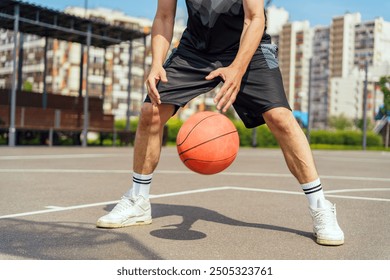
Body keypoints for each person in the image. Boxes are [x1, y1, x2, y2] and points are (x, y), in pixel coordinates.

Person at [97, 0, 344, 246]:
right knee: (150, 111)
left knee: (279, 117)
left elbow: (255, 18)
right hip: (195, 50)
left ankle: (320, 205)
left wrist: (237, 68)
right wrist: (156, 64)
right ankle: (138, 201)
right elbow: (163, 16)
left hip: (248, 47)